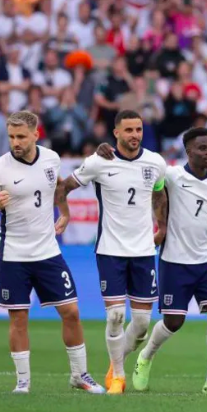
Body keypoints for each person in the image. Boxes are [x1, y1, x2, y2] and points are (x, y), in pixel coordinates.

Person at [94, 127, 207, 393]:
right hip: (174, 260)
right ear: (188, 151)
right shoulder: (171, 175)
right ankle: (146, 357)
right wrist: (107, 153)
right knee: (174, 322)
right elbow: (138, 170)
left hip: (205, 260)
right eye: (202, 148)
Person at [0, 111, 105, 394]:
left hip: (47, 252)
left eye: (21, 136)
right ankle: (22, 382)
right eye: (12, 137)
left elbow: (58, 185)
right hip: (13, 255)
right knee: (19, 318)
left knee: (71, 311)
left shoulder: (51, 158)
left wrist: (65, 211)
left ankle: (80, 375)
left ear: (36, 134)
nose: (16, 142)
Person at [62, 110, 168, 394]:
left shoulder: (155, 162)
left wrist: (163, 227)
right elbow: (65, 186)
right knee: (115, 316)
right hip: (110, 250)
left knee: (143, 322)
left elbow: (159, 193)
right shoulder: (99, 162)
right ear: (116, 132)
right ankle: (118, 377)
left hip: (144, 250)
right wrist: (64, 215)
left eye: (139, 129)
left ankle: (114, 364)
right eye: (129, 130)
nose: (135, 135)